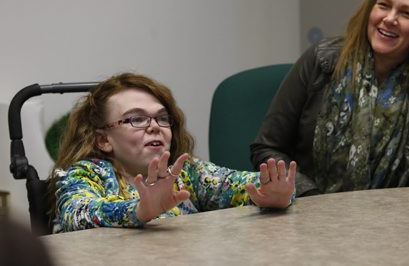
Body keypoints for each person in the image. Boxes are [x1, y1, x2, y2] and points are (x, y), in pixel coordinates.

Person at [251, 0, 409, 197]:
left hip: (394, 225)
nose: (390, 19)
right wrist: (313, 199)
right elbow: (266, 148)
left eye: (406, 13)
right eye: (383, 5)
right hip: (309, 216)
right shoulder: (321, 60)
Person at [49, 73, 296, 233]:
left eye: (162, 118)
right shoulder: (86, 173)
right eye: (136, 118)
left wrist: (273, 193)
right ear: (104, 139)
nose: (155, 126)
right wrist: (138, 210)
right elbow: (76, 213)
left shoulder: (185, 172)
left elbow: (239, 185)